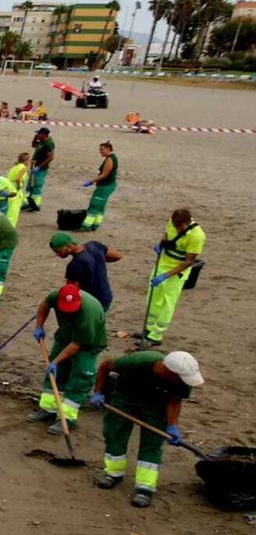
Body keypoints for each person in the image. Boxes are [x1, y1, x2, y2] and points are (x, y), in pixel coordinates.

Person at [90, 350, 204, 507]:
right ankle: (113, 474)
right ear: (169, 371)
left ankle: (145, 487)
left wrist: (171, 425)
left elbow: (174, 400)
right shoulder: (139, 361)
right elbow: (105, 367)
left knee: (152, 443)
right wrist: (98, 393)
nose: (183, 381)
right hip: (125, 396)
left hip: (157, 404)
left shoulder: (182, 379)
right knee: (115, 433)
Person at [30, 282, 107, 434]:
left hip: (87, 345)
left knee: (80, 378)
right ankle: (48, 409)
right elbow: (44, 306)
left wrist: (55, 362)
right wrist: (39, 326)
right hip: (65, 336)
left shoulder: (88, 314)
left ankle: (67, 418)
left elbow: (76, 345)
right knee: (55, 374)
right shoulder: (55, 296)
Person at [142, 208, 207, 345]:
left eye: (180, 227)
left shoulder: (197, 236)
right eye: (175, 225)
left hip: (177, 270)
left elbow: (189, 261)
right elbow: (166, 236)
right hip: (162, 263)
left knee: (167, 302)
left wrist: (165, 276)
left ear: (188, 222)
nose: (177, 229)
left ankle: (156, 336)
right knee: (153, 297)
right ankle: (148, 330)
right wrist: (161, 245)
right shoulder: (172, 223)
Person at [49, 231, 122, 310]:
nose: (57, 255)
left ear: (69, 246)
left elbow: (71, 292)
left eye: (59, 251)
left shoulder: (75, 265)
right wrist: (98, 261)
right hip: (106, 297)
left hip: (90, 303)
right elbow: (117, 256)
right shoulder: (95, 246)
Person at [79, 141, 119, 230]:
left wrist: (91, 181)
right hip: (108, 185)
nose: (100, 152)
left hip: (105, 186)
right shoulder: (111, 158)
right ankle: (96, 224)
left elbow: (104, 174)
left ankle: (86, 226)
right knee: (101, 207)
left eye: (102, 150)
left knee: (94, 205)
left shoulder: (110, 159)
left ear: (108, 149)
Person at [27, 127, 55, 212]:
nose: (37, 135)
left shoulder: (48, 144)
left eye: (39, 134)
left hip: (41, 169)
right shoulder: (41, 142)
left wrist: (39, 167)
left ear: (44, 135)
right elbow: (33, 145)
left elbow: (51, 157)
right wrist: (35, 138)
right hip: (34, 166)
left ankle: (36, 204)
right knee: (30, 186)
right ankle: (29, 203)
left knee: (37, 186)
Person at [6, 152, 32, 225]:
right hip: (16, 191)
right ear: (26, 160)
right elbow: (17, 178)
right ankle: (10, 227)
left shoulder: (14, 167)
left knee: (9, 210)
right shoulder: (23, 168)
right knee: (14, 212)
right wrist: (19, 186)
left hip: (9, 190)